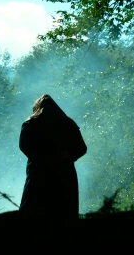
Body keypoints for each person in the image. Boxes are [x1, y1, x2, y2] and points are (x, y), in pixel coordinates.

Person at [19, 94, 87, 222]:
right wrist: (65, 156)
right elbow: (81, 148)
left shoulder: (31, 123)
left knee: (33, 213)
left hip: (39, 176)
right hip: (65, 177)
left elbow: (25, 146)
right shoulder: (68, 123)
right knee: (64, 214)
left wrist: (45, 160)